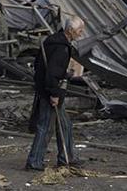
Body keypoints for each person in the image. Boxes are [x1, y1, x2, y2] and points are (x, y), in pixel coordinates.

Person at [25, 16, 85, 171]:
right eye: (79, 31)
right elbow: (52, 73)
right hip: (50, 90)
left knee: (65, 125)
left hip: (46, 87)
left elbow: (42, 67)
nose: (81, 34)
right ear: (70, 30)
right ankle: (34, 161)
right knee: (45, 126)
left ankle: (67, 157)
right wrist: (54, 94)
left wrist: (65, 75)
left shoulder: (52, 41)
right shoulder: (61, 48)